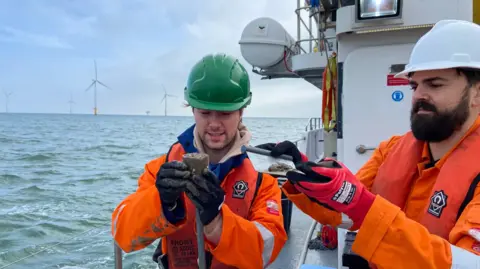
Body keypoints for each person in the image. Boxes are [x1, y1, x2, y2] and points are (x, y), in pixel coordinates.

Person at [258, 19, 480, 268]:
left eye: (435, 84)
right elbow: (346, 213)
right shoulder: (391, 150)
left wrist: (364, 207)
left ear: (476, 94)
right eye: (415, 85)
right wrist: (306, 177)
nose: (418, 96)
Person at [111, 53, 287, 268]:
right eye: (205, 113)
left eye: (224, 114)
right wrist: (162, 201)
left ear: (241, 112)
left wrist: (217, 221)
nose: (214, 124)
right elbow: (123, 234)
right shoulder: (161, 169)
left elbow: (266, 251)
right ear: (193, 110)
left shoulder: (262, 178)